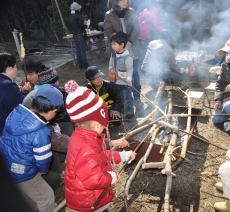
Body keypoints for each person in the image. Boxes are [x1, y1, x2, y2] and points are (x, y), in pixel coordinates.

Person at [63, 80, 136, 211]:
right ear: (96, 123)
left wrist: (123, 155)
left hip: (93, 198)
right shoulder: (86, 146)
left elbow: (102, 156)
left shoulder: (87, 137)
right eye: (104, 124)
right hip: (89, 202)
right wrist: (112, 177)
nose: (105, 126)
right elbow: (93, 180)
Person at [0, 86, 64, 212]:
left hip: (6, 164)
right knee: (46, 197)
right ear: (53, 110)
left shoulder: (16, 112)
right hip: (22, 172)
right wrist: (41, 171)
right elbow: (43, 159)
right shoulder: (41, 132)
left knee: (28, 195)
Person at [104, 0, 144, 116]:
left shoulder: (131, 12)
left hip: (132, 49)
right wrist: (119, 41)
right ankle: (128, 105)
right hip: (118, 51)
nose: (126, 1)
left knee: (135, 75)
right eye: (122, 0)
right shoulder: (109, 15)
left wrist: (129, 42)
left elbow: (137, 29)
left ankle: (137, 100)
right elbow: (108, 30)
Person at [0, 53, 31, 134]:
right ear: (9, 68)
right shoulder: (8, 85)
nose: (16, 70)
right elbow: (20, 105)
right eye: (15, 67)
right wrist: (26, 91)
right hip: (5, 130)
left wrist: (17, 92)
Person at [109, 32, 135, 119]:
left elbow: (130, 69)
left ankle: (130, 112)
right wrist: (111, 68)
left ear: (122, 45)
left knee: (127, 96)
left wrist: (129, 79)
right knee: (118, 96)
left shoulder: (127, 57)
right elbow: (111, 64)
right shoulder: (113, 54)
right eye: (112, 44)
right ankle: (119, 111)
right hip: (115, 80)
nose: (112, 46)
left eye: (114, 44)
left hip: (124, 81)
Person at [67, 2, 89, 69]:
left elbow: (69, 26)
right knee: (82, 50)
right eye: (79, 8)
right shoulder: (78, 16)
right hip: (80, 34)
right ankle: (85, 65)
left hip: (74, 35)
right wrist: (86, 25)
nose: (80, 9)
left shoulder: (70, 16)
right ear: (77, 9)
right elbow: (81, 26)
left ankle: (80, 65)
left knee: (78, 51)